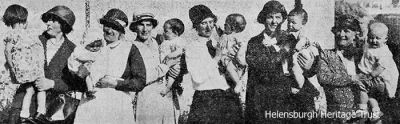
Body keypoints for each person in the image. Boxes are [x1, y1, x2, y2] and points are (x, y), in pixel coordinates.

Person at [8, 5, 87, 124]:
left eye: (53, 20)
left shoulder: (73, 50)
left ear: (64, 25)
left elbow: (76, 83)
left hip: (52, 111)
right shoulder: (34, 41)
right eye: (48, 20)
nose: (48, 23)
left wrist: (52, 83)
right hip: (24, 104)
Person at [73, 8, 147, 124]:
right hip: (90, 105)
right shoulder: (92, 46)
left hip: (117, 106)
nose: (109, 31)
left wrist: (115, 83)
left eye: (115, 28)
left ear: (121, 31)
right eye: (107, 26)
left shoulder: (129, 49)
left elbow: (140, 81)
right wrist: (81, 75)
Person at [245, 1, 302, 123]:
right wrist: (284, 51)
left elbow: (303, 67)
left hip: (289, 99)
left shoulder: (290, 39)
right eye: (270, 17)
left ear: (282, 19)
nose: (274, 21)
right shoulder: (254, 43)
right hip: (264, 100)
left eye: (278, 17)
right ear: (264, 18)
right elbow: (264, 67)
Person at [185, 4, 242, 124]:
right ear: (196, 26)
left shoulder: (219, 43)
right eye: (203, 23)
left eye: (211, 22)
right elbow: (197, 78)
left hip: (228, 97)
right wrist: (216, 58)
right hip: (206, 100)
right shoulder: (192, 47)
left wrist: (235, 59)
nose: (209, 27)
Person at [309, 14, 362, 124]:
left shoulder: (362, 56)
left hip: (360, 114)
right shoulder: (326, 54)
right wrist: (352, 78)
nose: (341, 34)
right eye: (339, 30)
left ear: (356, 34)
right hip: (336, 116)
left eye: (346, 31)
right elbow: (323, 77)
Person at [129, 13, 180, 124]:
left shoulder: (158, 43)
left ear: (152, 27)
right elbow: (142, 76)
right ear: (135, 27)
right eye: (141, 25)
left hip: (165, 94)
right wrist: (166, 65)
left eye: (148, 25)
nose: (145, 29)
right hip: (146, 95)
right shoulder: (132, 47)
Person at [2, 4, 46, 124]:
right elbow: (36, 49)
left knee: (29, 90)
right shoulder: (29, 34)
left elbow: (7, 51)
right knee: (40, 89)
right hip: (33, 68)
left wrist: (12, 68)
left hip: (23, 70)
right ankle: (40, 112)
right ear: (24, 20)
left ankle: (24, 114)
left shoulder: (12, 34)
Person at [286, 0, 327, 116]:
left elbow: (302, 41)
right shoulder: (290, 34)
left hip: (303, 52)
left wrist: (295, 49)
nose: (290, 25)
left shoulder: (302, 33)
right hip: (301, 53)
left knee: (296, 67)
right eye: (288, 22)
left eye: (293, 23)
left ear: (303, 23)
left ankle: (301, 86)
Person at [355, 22, 399, 121]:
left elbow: (381, 67)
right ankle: (375, 111)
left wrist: (371, 75)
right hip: (371, 73)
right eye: (371, 37)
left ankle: (362, 109)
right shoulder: (369, 45)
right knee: (369, 95)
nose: (374, 41)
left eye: (377, 38)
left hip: (380, 75)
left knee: (362, 87)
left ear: (385, 39)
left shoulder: (384, 52)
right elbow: (363, 43)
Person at [159, 18, 186, 98]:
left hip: (174, 62)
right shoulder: (166, 41)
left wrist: (170, 55)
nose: (164, 33)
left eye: (166, 31)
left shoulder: (178, 41)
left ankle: (167, 88)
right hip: (165, 63)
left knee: (172, 75)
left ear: (175, 33)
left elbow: (180, 51)